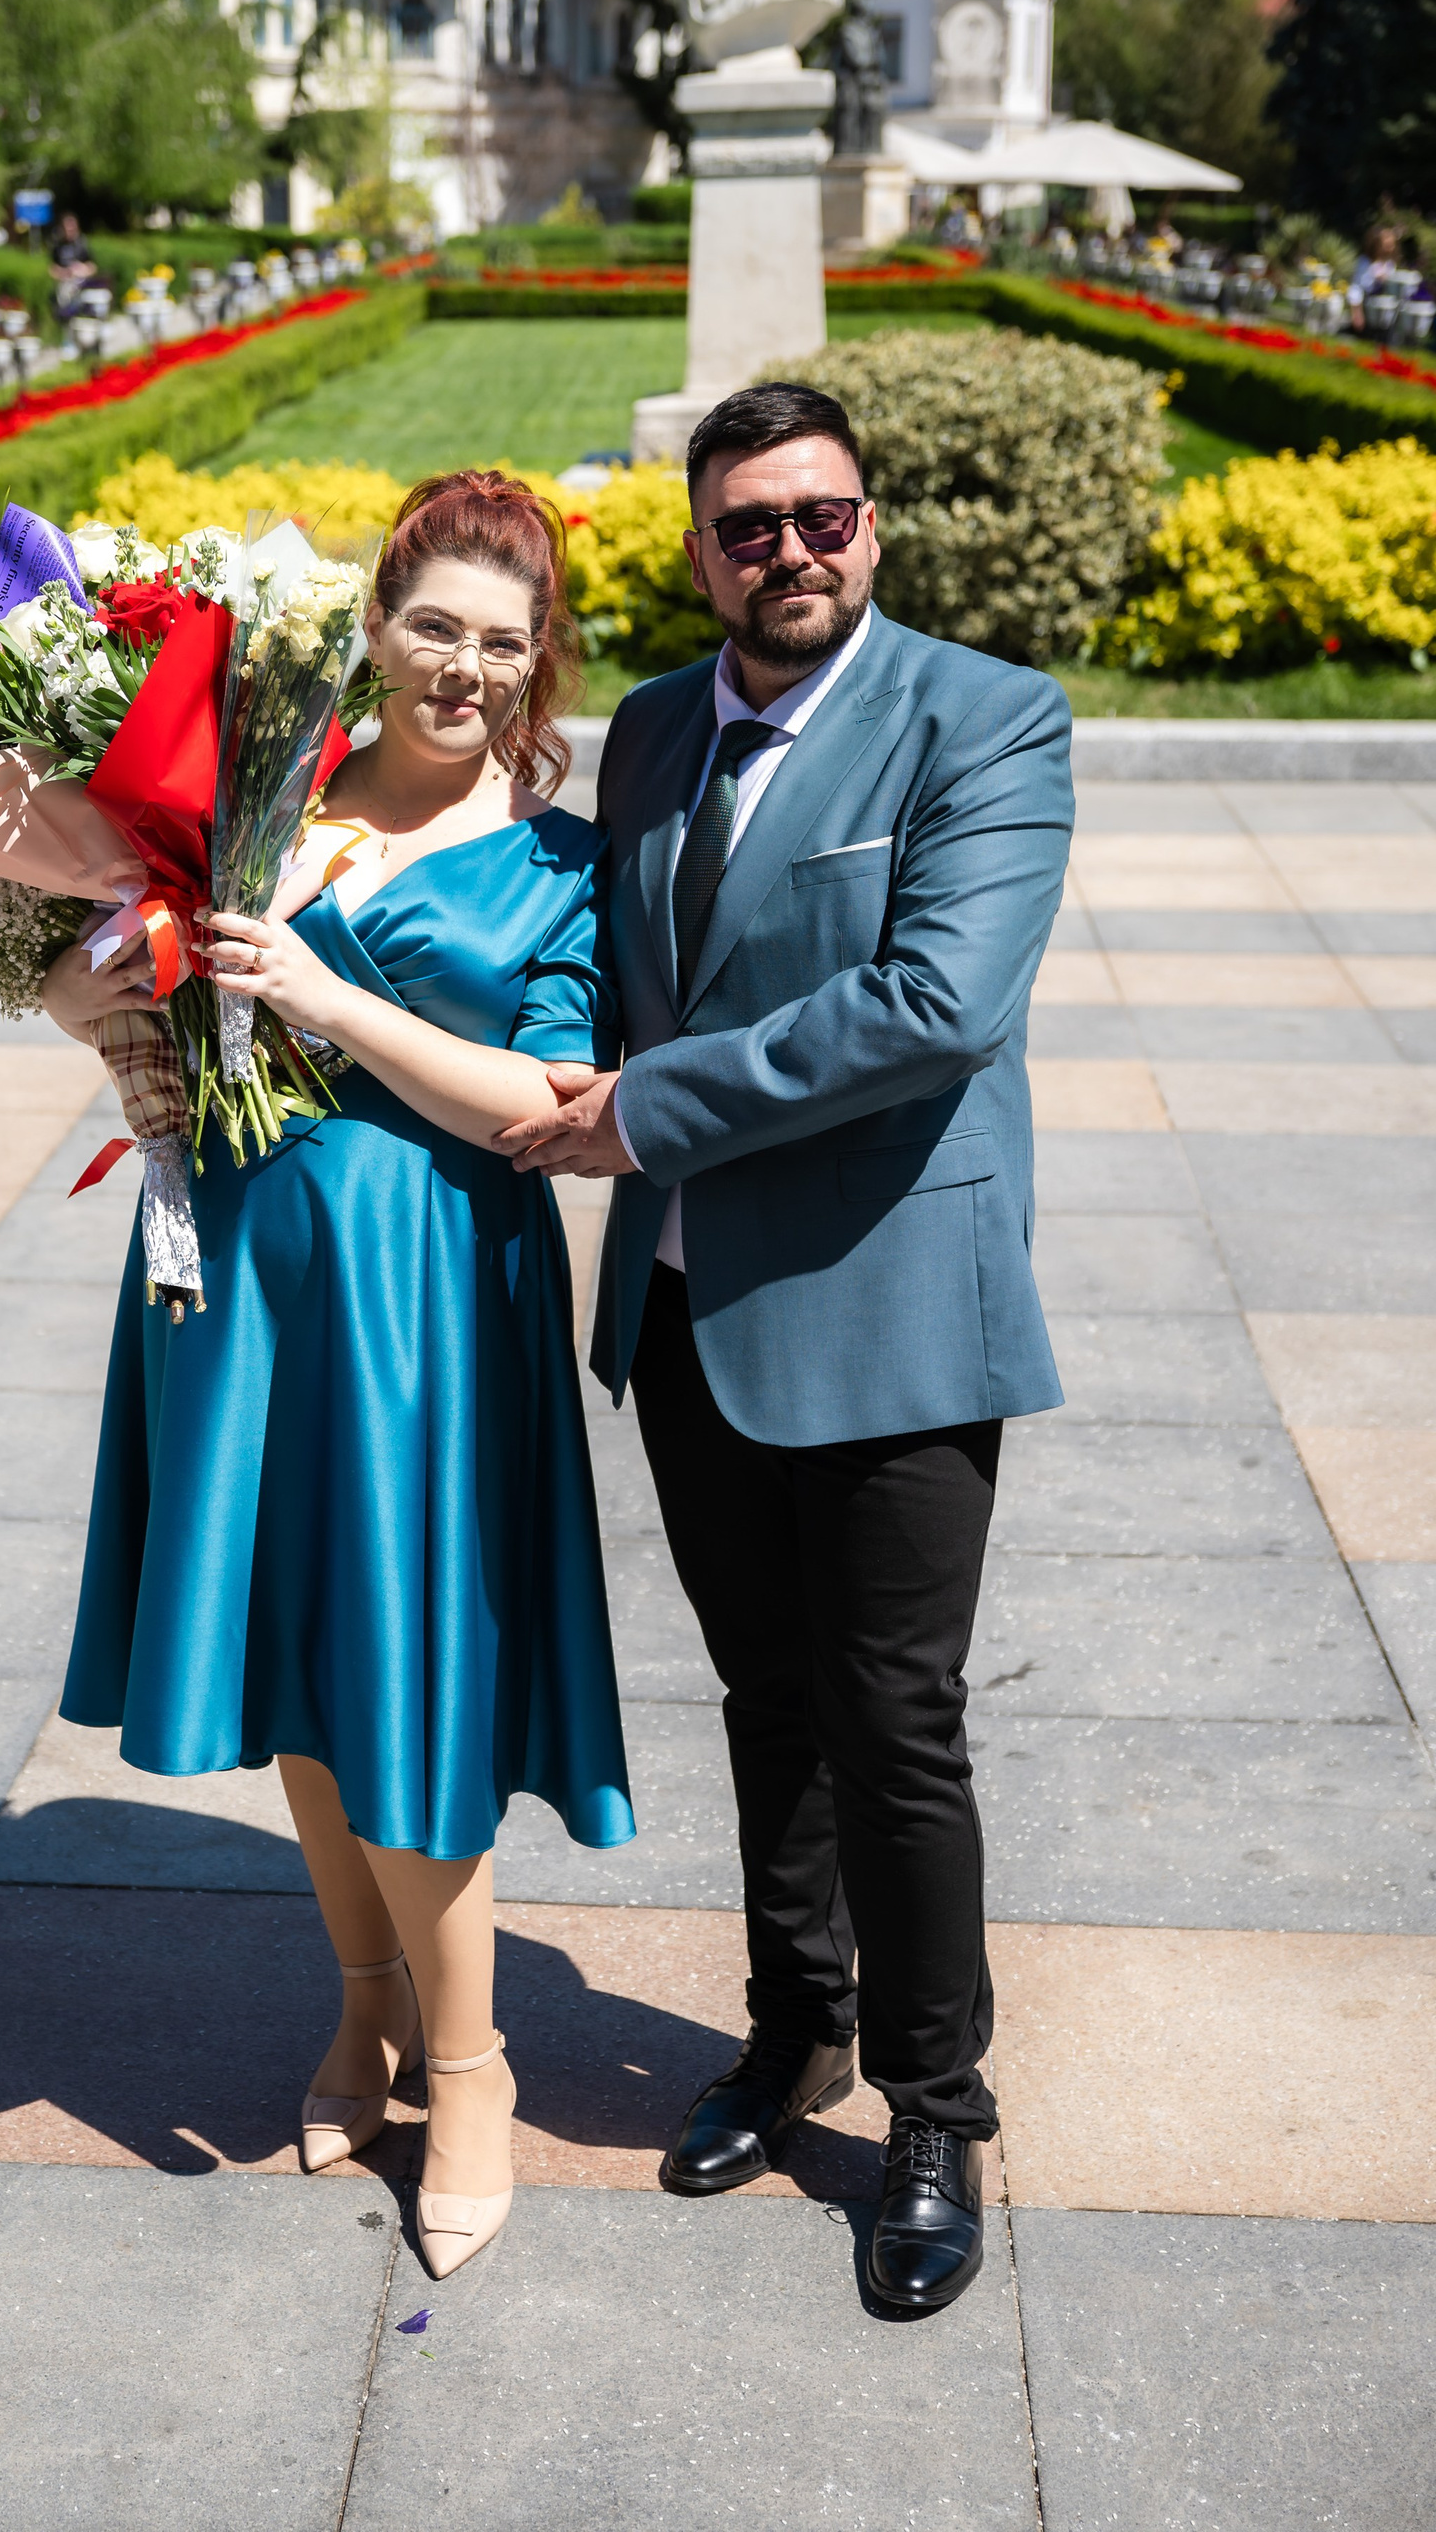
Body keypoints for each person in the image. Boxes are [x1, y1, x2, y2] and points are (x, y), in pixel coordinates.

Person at [498, 383, 1074, 2315]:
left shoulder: (985, 719)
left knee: (894, 1722)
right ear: (700, 553)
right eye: (750, 526)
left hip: (893, 1302)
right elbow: (588, 958)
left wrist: (647, 1109)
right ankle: (795, 2026)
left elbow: (937, 1005)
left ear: (872, 527)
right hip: (688, 1307)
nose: (792, 552)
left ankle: (935, 2111)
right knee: (766, 1699)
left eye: (823, 516)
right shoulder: (661, 726)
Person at [46, 472, 633, 2280]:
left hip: (422, 1308)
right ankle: (366, 2003)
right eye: (432, 625)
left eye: (501, 643)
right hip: (235, 1278)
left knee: (409, 1676)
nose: (461, 667)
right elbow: (109, 973)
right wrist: (92, 998)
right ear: (374, 625)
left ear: (539, 666)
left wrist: (327, 999)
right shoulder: (262, 791)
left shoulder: (561, 863)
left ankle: (473, 2072)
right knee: (300, 1654)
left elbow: (545, 1108)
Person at [48, 211, 99, 322]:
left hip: (81, 282)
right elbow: (51, 268)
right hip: (63, 282)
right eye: (67, 227)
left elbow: (93, 267)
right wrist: (63, 272)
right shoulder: (58, 245)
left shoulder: (82, 244)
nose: (70, 230)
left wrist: (82, 269)